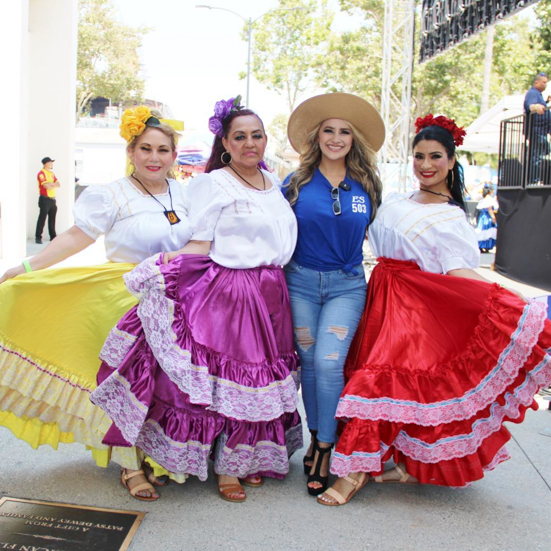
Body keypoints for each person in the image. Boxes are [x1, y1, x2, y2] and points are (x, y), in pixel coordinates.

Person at [318, 114, 551, 506]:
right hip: (379, 297)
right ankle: (406, 466)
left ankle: (353, 473)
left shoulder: (451, 217)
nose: (426, 165)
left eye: (436, 157)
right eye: (419, 156)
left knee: (377, 384)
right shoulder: (395, 199)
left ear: (451, 160)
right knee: (388, 385)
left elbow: (459, 271)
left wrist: (509, 299)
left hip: (414, 309)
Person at [90, 96, 302, 503]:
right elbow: (202, 242)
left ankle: (244, 458)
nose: (249, 143)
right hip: (232, 293)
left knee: (260, 380)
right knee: (231, 382)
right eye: (239, 136)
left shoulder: (273, 183)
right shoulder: (213, 181)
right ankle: (226, 472)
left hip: (272, 292)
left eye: (256, 135)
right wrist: (164, 264)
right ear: (225, 142)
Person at [0, 106, 190, 501]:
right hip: (123, 301)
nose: (154, 157)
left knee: (164, 387)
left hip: (177, 303)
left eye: (162, 150)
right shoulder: (112, 194)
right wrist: (26, 267)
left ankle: (156, 455)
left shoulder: (186, 195)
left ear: (174, 155)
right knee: (125, 387)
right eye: (145, 149)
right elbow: (74, 237)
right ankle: (130, 466)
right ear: (131, 152)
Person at [283, 92, 384, 496]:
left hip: (346, 284)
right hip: (301, 282)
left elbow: (384, 234)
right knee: (308, 360)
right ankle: (315, 438)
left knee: (328, 362)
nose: (336, 138)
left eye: (344, 131)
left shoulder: (369, 184)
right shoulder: (295, 183)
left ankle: (326, 446)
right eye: (329, 130)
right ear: (317, 137)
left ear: (353, 139)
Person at [524, 72, 551, 184]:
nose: (545, 85)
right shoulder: (532, 93)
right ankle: (533, 181)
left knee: (542, 153)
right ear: (536, 82)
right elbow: (530, 106)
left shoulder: (538, 94)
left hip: (542, 131)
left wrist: (545, 103)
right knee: (536, 157)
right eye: (543, 82)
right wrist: (536, 106)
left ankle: (536, 179)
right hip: (537, 131)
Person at [35, 156, 60, 244]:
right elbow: (46, 186)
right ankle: (38, 237)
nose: (52, 164)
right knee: (42, 218)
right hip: (45, 199)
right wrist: (52, 184)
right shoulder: (41, 174)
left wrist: (51, 184)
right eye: (50, 162)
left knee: (52, 218)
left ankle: (53, 236)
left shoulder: (51, 174)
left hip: (53, 199)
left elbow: (58, 184)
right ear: (46, 163)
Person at [476, 184, 497, 252]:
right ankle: (486, 245)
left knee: (482, 232)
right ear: (490, 191)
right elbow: (490, 209)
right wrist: (493, 218)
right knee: (488, 232)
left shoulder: (483, 200)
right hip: (487, 218)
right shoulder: (489, 199)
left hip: (482, 218)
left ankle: (482, 245)